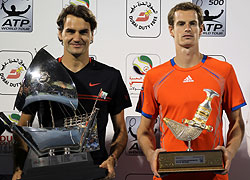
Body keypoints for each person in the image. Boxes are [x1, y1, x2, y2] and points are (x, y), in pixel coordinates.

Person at [12, 4, 132, 180]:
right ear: (60, 34)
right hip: (49, 172)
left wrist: (112, 159)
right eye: (70, 31)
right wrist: (17, 169)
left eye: (83, 32)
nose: (77, 38)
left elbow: (121, 129)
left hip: (95, 171)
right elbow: (22, 127)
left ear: (91, 36)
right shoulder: (40, 75)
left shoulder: (110, 77)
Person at [136, 2, 246, 180]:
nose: (187, 28)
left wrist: (230, 152)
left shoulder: (224, 71)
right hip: (168, 175)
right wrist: (151, 155)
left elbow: (237, 122)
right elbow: (143, 129)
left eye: (192, 23)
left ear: (201, 29)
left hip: (213, 174)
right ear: (171, 30)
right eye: (181, 24)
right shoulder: (154, 77)